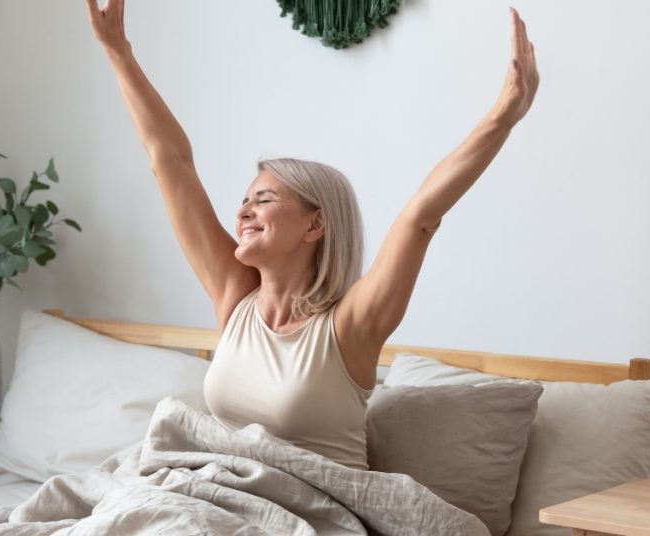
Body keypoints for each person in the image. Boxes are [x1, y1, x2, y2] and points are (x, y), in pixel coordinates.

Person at [86, 0, 539, 469]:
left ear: (315, 224)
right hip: (223, 494)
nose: (243, 211)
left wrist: (502, 116)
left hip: (316, 510)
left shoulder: (350, 326)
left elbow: (419, 217)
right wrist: (118, 51)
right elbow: (170, 162)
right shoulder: (234, 297)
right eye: (244, 200)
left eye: (263, 199)